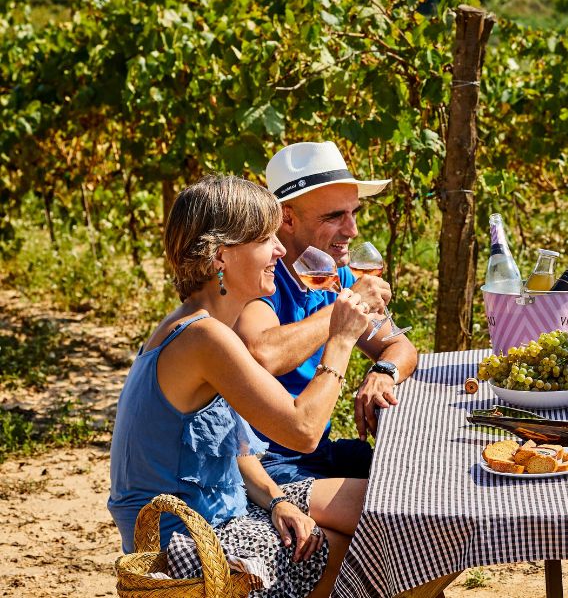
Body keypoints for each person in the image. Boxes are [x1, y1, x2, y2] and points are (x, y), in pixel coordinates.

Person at [109, 175, 373, 598]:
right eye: (267, 238)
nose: (281, 250)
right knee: (366, 541)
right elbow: (304, 431)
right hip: (188, 546)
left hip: (225, 513)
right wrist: (339, 340)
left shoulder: (204, 326)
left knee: (381, 506)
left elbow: (237, 450)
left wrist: (276, 501)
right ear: (221, 256)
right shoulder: (203, 337)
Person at [234, 141, 419, 484]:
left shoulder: (336, 276)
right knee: (387, 505)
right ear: (286, 218)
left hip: (317, 451)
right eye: (335, 216)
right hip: (264, 463)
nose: (352, 230)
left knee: (413, 474)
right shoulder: (260, 276)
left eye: (354, 213)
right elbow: (263, 353)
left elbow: (400, 346)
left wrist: (383, 371)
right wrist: (343, 310)